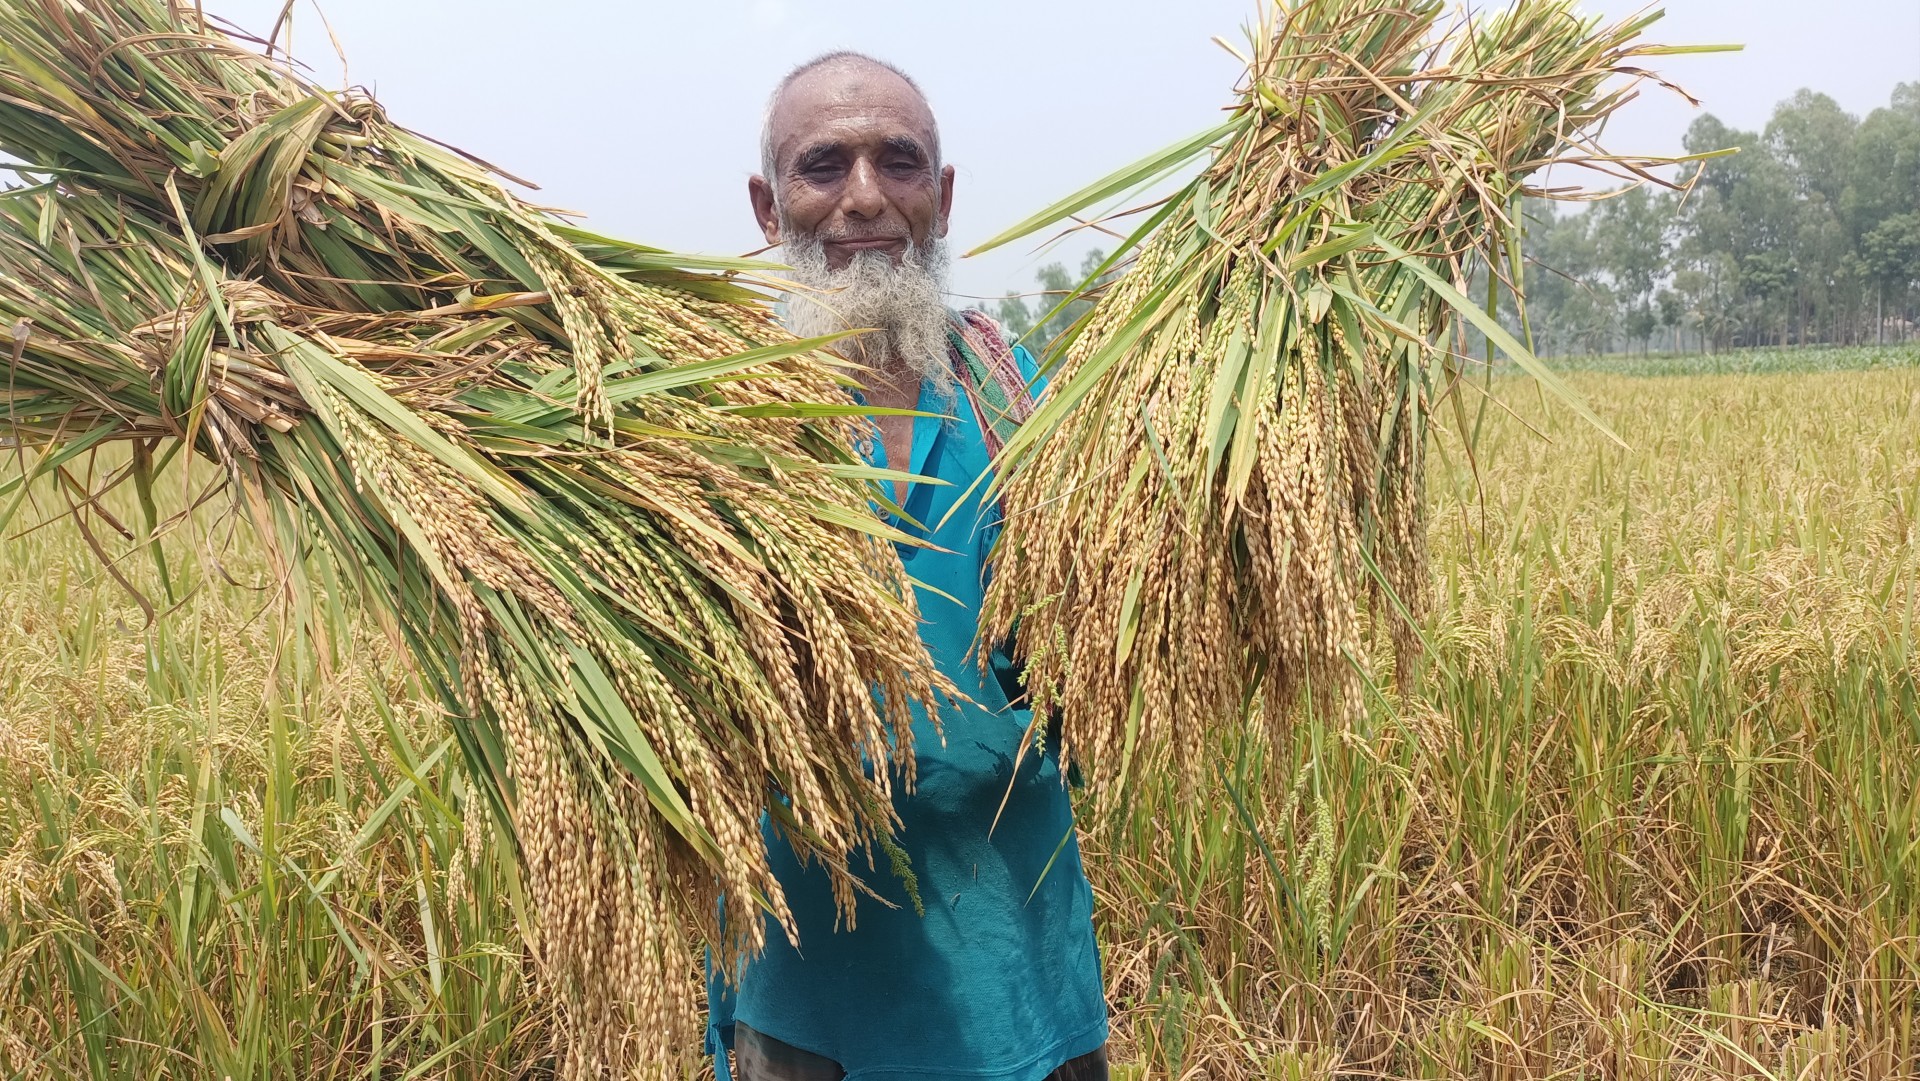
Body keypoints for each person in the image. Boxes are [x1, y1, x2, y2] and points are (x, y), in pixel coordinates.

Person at [703, 51, 1109, 1081]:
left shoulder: (1020, 396)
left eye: (900, 161)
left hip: (1020, 968)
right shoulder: (709, 422)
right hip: (809, 995)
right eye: (823, 166)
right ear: (768, 205)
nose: (864, 197)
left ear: (944, 195)